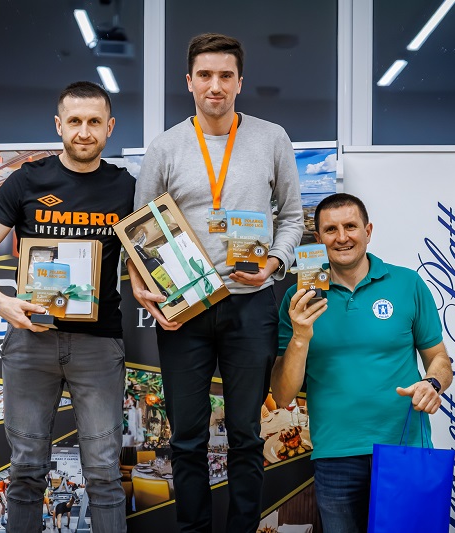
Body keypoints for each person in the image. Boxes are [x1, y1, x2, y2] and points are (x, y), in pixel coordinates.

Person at [130, 33, 303, 532]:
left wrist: (274, 264)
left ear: (239, 82)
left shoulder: (272, 138)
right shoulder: (165, 147)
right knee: (187, 439)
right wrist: (139, 283)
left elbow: (293, 218)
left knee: (247, 434)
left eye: (226, 75)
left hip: (251, 304)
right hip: (185, 307)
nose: (215, 85)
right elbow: (140, 229)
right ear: (189, 82)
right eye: (205, 75)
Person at [0, 81, 134, 533]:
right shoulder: (27, 180)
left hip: (98, 347)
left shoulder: (127, 188)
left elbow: (151, 256)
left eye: (94, 121)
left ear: (110, 127)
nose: (84, 131)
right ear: (59, 125)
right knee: (25, 472)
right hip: (30, 342)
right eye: (74, 121)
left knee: (104, 474)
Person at [270, 193, 454, 532]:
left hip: (403, 448)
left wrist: (433, 383)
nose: (342, 237)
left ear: (368, 231)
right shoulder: (299, 299)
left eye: (350, 226)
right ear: (318, 238)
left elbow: (439, 358)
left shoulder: (407, 284)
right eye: (331, 230)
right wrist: (300, 337)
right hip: (335, 455)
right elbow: (282, 395)